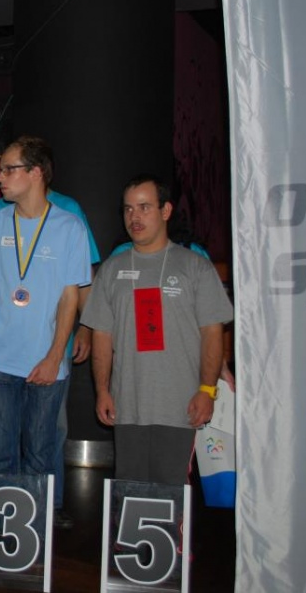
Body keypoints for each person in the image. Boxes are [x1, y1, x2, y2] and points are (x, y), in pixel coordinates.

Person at [0, 140, 101, 529]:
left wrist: (56, 356)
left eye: (8, 169)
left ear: (36, 172)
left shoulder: (69, 226)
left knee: (40, 454)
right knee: (0, 452)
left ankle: (34, 536)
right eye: (0, 169)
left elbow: (70, 296)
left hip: (45, 362)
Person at [81, 175, 233, 485]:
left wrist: (207, 390)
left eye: (144, 207)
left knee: (171, 493)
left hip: (181, 406)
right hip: (127, 406)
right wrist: (103, 391)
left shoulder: (195, 266)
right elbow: (102, 336)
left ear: (165, 211)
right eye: (128, 209)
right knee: (129, 492)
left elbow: (212, 333)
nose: (134, 217)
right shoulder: (111, 269)